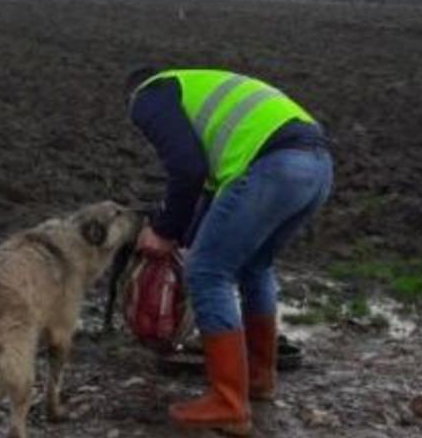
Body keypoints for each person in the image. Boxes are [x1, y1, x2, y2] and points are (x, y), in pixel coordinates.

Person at [126, 67, 333, 435]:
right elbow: (205, 189)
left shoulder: (148, 95)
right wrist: (182, 235)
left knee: (207, 272)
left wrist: (161, 230)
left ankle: (229, 403)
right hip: (316, 167)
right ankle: (259, 378)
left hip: (274, 165)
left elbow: (186, 169)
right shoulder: (195, 90)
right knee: (255, 267)